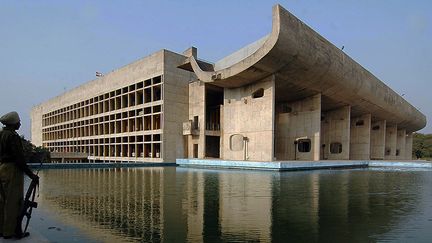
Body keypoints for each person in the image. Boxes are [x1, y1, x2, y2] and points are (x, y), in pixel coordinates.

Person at [0, 111, 39, 239]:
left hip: (2, 168)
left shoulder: (2, 134)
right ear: (13, 124)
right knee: (13, 201)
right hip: (12, 170)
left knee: (3, 200)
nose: (20, 124)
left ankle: (2, 229)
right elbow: (19, 158)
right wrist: (30, 174)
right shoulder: (12, 136)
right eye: (18, 122)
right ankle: (10, 232)